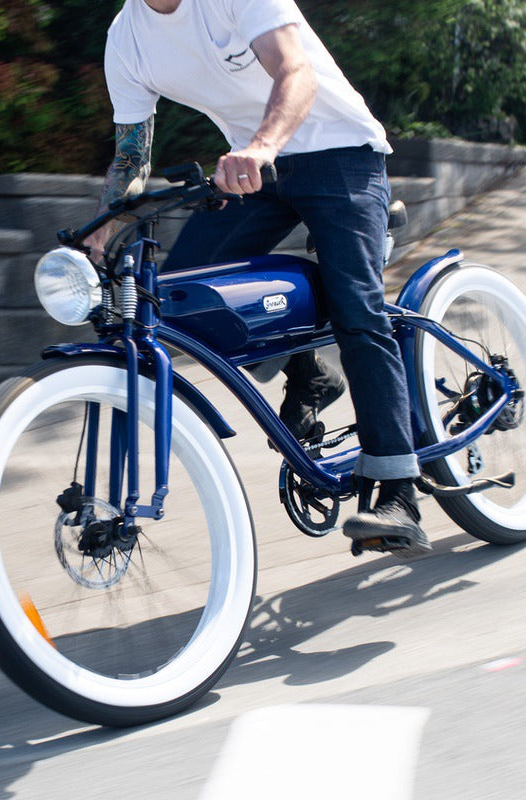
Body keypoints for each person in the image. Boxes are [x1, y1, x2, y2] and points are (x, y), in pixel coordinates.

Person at [84, 0, 429, 556]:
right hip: (254, 174)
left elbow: (297, 70)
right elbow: (131, 158)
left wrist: (260, 146)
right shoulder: (127, 36)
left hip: (340, 156)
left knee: (357, 310)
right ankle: (311, 374)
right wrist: (101, 229)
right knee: (181, 298)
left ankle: (397, 489)